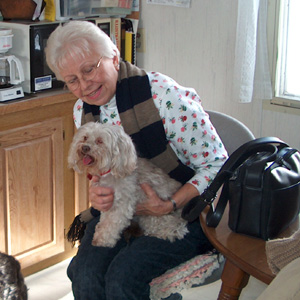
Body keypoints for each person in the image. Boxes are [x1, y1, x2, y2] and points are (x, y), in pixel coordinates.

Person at [45, 20, 228, 300]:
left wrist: (170, 203)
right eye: (72, 80)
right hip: (127, 210)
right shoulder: (83, 109)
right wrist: (99, 196)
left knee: (123, 279)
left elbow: (218, 166)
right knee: (86, 272)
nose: (83, 86)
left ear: (115, 58)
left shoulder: (164, 96)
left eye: (88, 70)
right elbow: (99, 171)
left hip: (188, 212)